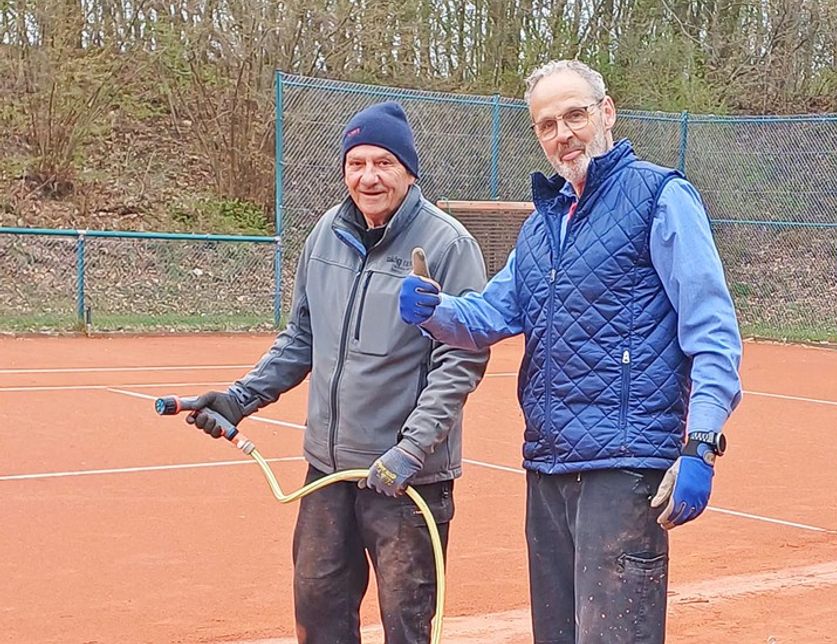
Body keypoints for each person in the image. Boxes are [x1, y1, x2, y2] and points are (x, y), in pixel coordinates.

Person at [398, 60, 742, 643]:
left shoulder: (661, 197)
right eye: (547, 124)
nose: (563, 134)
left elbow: (711, 329)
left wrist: (701, 444)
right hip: (548, 466)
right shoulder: (542, 226)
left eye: (575, 115)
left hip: (623, 469)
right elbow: (491, 315)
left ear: (607, 113)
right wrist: (435, 310)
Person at [184, 101, 490, 644]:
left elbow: (461, 358)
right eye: (357, 163)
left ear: (409, 171)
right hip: (327, 474)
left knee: (407, 627)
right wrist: (238, 399)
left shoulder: (448, 244)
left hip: (406, 480)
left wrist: (411, 449)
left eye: (384, 163)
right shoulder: (325, 234)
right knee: (319, 615)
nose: (369, 177)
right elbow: (301, 338)